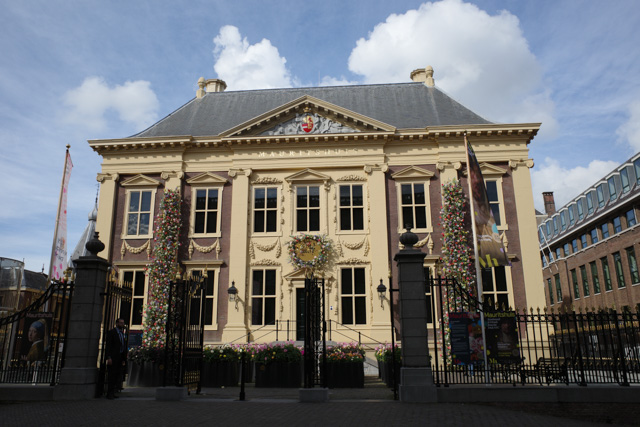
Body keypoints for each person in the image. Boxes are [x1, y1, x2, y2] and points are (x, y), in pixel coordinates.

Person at [106, 318, 127, 399]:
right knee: (112, 375)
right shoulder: (112, 332)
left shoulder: (122, 333)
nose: (122, 324)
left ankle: (114, 392)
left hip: (120, 357)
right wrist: (109, 357)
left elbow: (122, 346)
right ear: (117, 323)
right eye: (121, 323)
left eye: (123, 323)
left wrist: (123, 359)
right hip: (113, 357)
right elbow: (108, 346)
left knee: (117, 375)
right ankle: (109, 393)